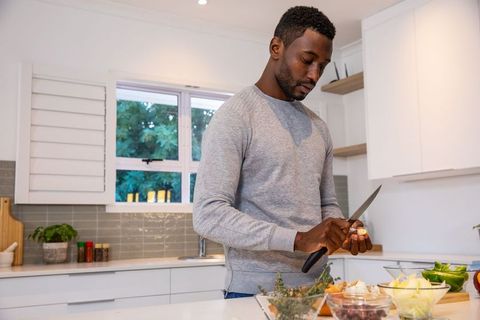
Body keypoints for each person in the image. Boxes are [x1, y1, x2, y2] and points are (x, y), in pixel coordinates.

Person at [193, 6, 372, 298]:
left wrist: (342, 229)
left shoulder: (318, 128)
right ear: (276, 47)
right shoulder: (236, 116)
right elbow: (208, 215)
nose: (315, 76)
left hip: (317, 289)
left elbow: (326, 204)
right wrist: (298, 239)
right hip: (254, 293)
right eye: (307, 60)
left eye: (323, 66)